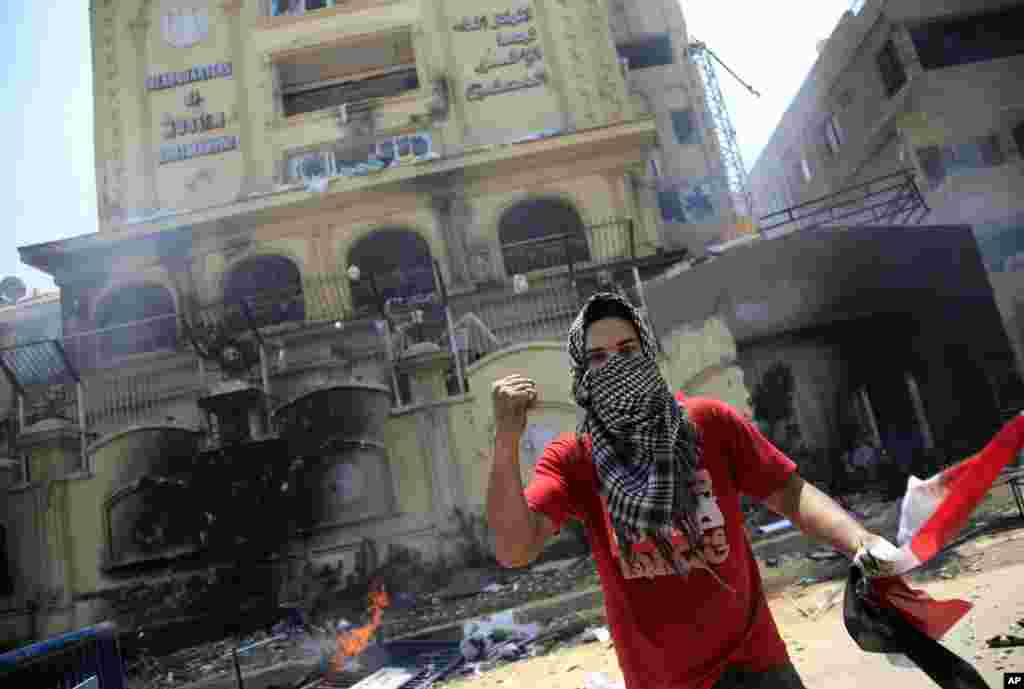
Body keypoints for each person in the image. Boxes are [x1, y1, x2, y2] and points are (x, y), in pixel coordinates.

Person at [486, 292, 898, 689]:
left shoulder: (709, 423)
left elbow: (789, 492)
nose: (615, 366)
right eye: (597, 358)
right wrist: (506, 438)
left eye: (627, 350)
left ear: (648, 356)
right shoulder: (576, 458)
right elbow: (514, 549)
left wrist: (859, 541)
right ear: (583, 374)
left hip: (757, 667)